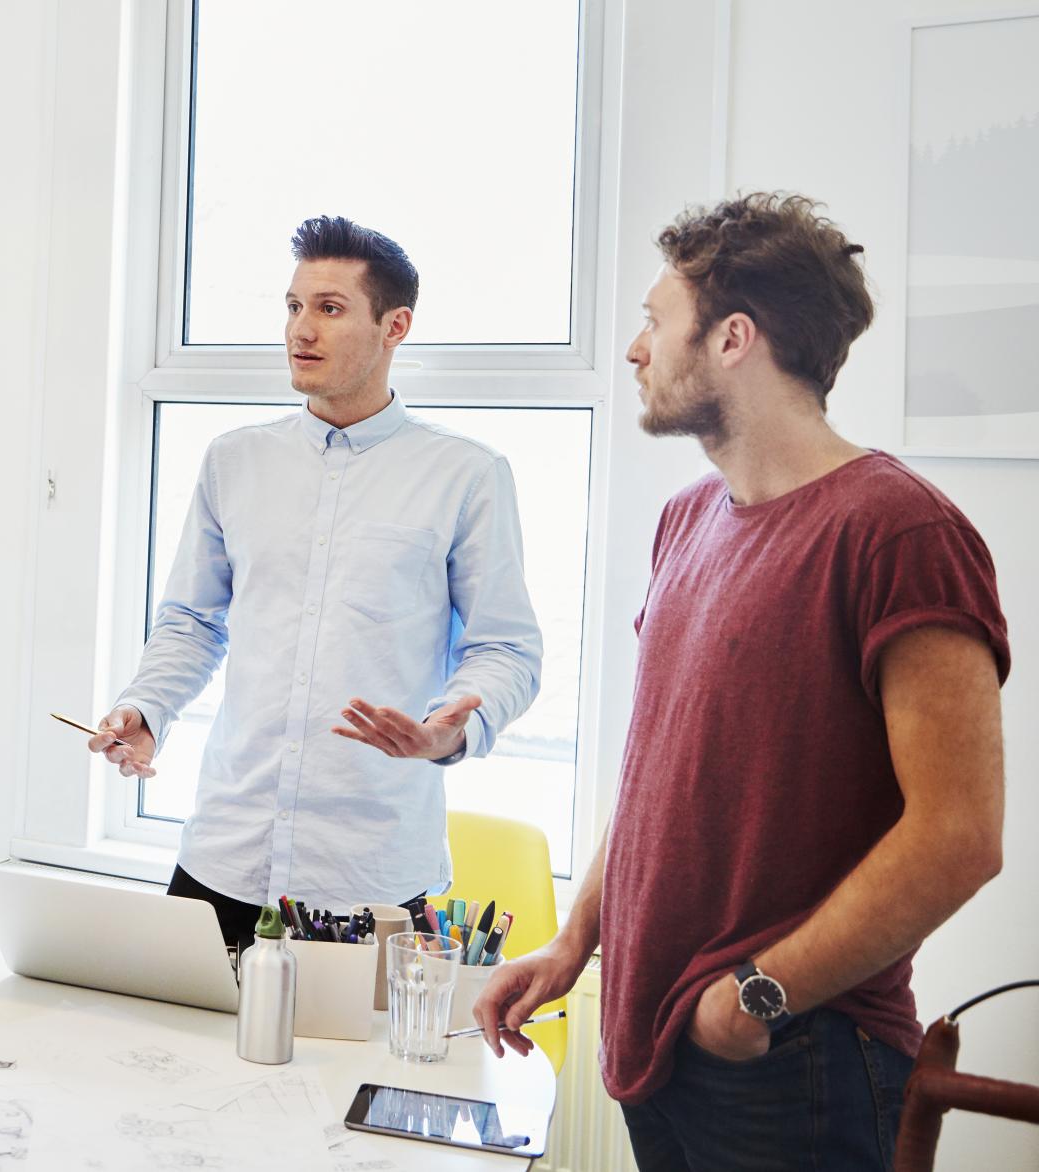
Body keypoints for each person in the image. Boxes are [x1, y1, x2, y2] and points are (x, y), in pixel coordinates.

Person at [473, 193, 1010, 1172]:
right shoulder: (688, 519)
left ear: (731, 337)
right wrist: (572, 944)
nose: (636, 350)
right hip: (662, 1047)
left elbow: (959, 836)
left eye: (652, 320)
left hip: (795, 1056)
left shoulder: (900, 529)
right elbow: (657, 781)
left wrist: (756, 997)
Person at [89, 216, 543, 943]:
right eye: (294, 307)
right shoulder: (233, 461)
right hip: (223, 858)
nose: (302, 329)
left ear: (395, 326)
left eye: (329, 309)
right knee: (174, 1059)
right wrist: (148, 708)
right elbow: (193, 623)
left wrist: (450, 728)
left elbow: (508, 648)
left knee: (356, 1063)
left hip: (373, 875)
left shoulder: (466, 475)